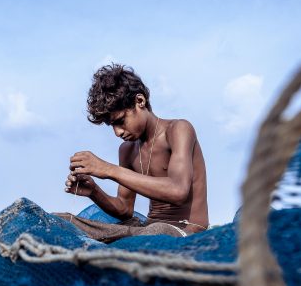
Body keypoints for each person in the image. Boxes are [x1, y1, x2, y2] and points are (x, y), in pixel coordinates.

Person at [60, 63, 208, 243]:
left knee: (156, 230)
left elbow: (178, 191)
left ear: (140, 101)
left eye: (121, 121)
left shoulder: (178, 129)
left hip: (186, 232)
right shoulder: (127, 150)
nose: (117, 132)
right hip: (145, 229)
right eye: (111, 126)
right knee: (60, 221)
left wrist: (109, 170)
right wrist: (94, 191)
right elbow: (124, 209)